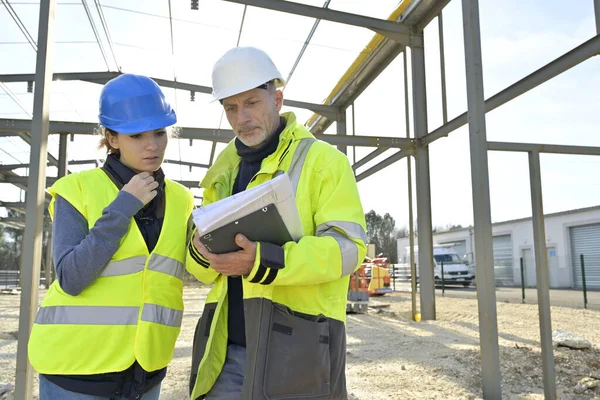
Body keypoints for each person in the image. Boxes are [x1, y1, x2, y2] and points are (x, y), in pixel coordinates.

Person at [186, 46, 367, 400]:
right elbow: (203, 271)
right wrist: (198, 248)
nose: (242, 118)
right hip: (225, 354)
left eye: (251, 102)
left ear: (277, 99)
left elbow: (348, 250)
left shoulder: (324, 163)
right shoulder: (222, 175)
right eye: (231, 108)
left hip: (295, 351)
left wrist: (263, 262)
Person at [28, 74, 195, 400]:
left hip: (146, 371)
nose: (153, 145)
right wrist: (122, 208)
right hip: (76, 371)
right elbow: (71, 277)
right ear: (112, 138)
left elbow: (188, 269)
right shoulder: (76, 190)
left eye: (160, 133)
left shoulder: (181, 199)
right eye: (137, 135)